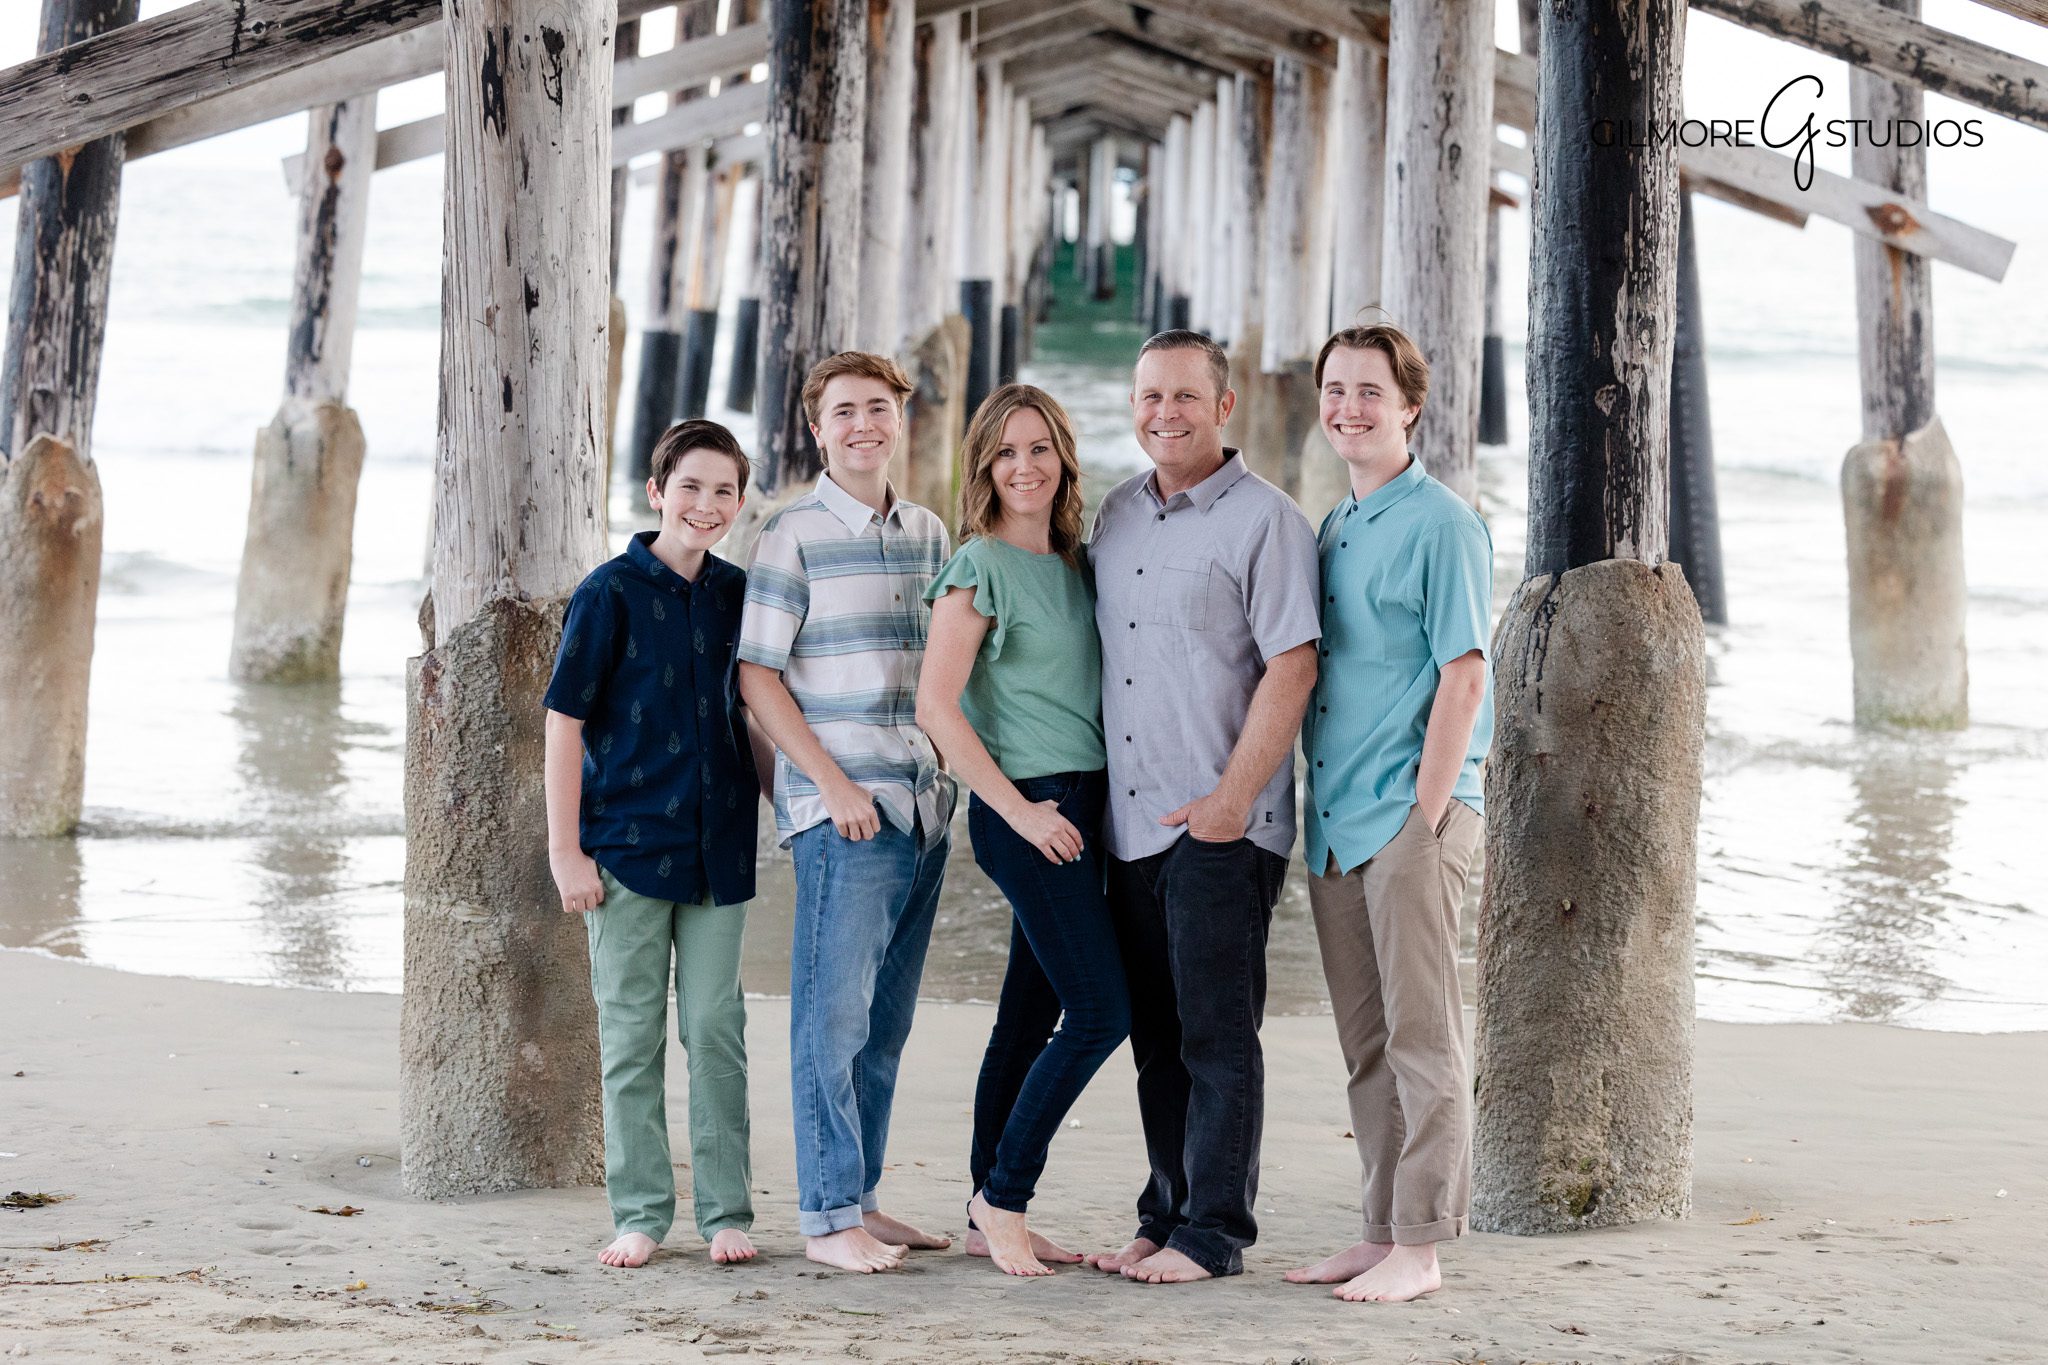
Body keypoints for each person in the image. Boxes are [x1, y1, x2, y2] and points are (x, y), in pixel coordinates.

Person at [1082, 330, 1321, 1284]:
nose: (1164, 413)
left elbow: (1293, 664)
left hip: (1223, 824)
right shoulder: (1115, 515)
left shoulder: (1268, 521)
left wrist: (1230, 801)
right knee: (1157, 1037)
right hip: (1131, 823)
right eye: (1149, 397)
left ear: (1224, 408)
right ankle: (1164, 1210)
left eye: (1185, 396)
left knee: (1218, 1034)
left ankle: (1214, 1231)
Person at [1282, 324, 1493, 1304]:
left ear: (1411, 406)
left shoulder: (1441, 523)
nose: (1347, 408)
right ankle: (1377, 1229)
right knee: (1365, 1044)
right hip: (1333, 822)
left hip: (1407, 819)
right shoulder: (1339, 522)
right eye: (1334, 390)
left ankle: (1421, 1241)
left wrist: (1427, 809)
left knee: (1421, 1035)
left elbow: (1462, 670)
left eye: (1369, 391)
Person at [737, 351, 957, 1275]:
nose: (863, 424)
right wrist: (827, 785)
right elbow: (756, 675)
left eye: (879, 407)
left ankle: (861, 1195)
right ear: (817, 429)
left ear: (899, 418)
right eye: (844, 412)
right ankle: (826, 1216)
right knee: (830, 1021)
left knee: (886, 1021)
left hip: (925, 808)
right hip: (847, 811)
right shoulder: (792, 534)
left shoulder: (929, 534)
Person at [915, 384, 1131, 1278]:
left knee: (1027, 1014)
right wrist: (1020, 812)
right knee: (1100, 1010)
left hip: (1083, 805)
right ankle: (1006, 1193)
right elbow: (936, 705)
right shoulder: (978, 565)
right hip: (1027, 810)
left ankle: (980, 1208)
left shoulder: (1077, 564)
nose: (1026, 466)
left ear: (1064, 459)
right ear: (984, 468)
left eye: (1040, 448)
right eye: (1007, 453)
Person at [542, 419, 767, 1271]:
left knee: (715, 1028)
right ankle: (639, 1210)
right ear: (655, 492)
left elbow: (758, 712)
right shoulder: (607, 592)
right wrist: (566, 853)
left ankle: (725, 1213)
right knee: (631, 1035)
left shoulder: (740, 592)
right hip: (625, 853)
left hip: (718, 854)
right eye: (690, 487)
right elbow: (563, 723)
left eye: (723, 491)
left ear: (739, 503)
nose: (705, 505)